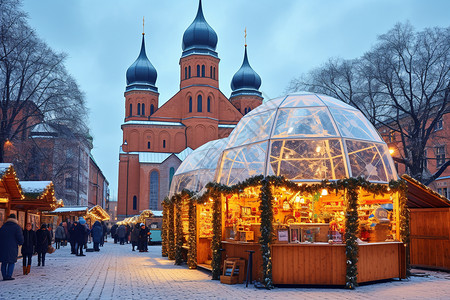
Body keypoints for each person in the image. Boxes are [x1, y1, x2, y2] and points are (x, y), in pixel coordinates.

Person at [0, 214, 24, 280]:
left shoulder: (3, 226)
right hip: (12, 247)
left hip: (2, 247)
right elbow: (20, 238)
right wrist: (20, 243)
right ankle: (9, 275)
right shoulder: (17, 227)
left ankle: (4, 276)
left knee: (4, 262)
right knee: (11, 262)